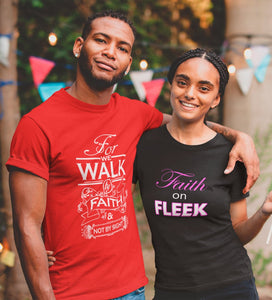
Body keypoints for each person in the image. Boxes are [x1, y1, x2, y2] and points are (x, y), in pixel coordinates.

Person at [7, 11, 259, 300]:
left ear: (128, 63)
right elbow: (26, 225)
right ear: (79, 46)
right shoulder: (37, 125)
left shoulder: (137, 114)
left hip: (132, 289)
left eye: (122, 48)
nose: (110, 52)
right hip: (70, 291)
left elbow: (190, 121)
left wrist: (239, 136)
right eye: (101, 40)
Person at [132, 48, 272, 300]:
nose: (190, 94)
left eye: (204, 88)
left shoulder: (232, 154)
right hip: (171, 289)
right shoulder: (144, 147)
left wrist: (264, 211)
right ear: (171, 85)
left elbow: (238, 232)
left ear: (217, 98)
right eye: (182, 82)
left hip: (231, 287)